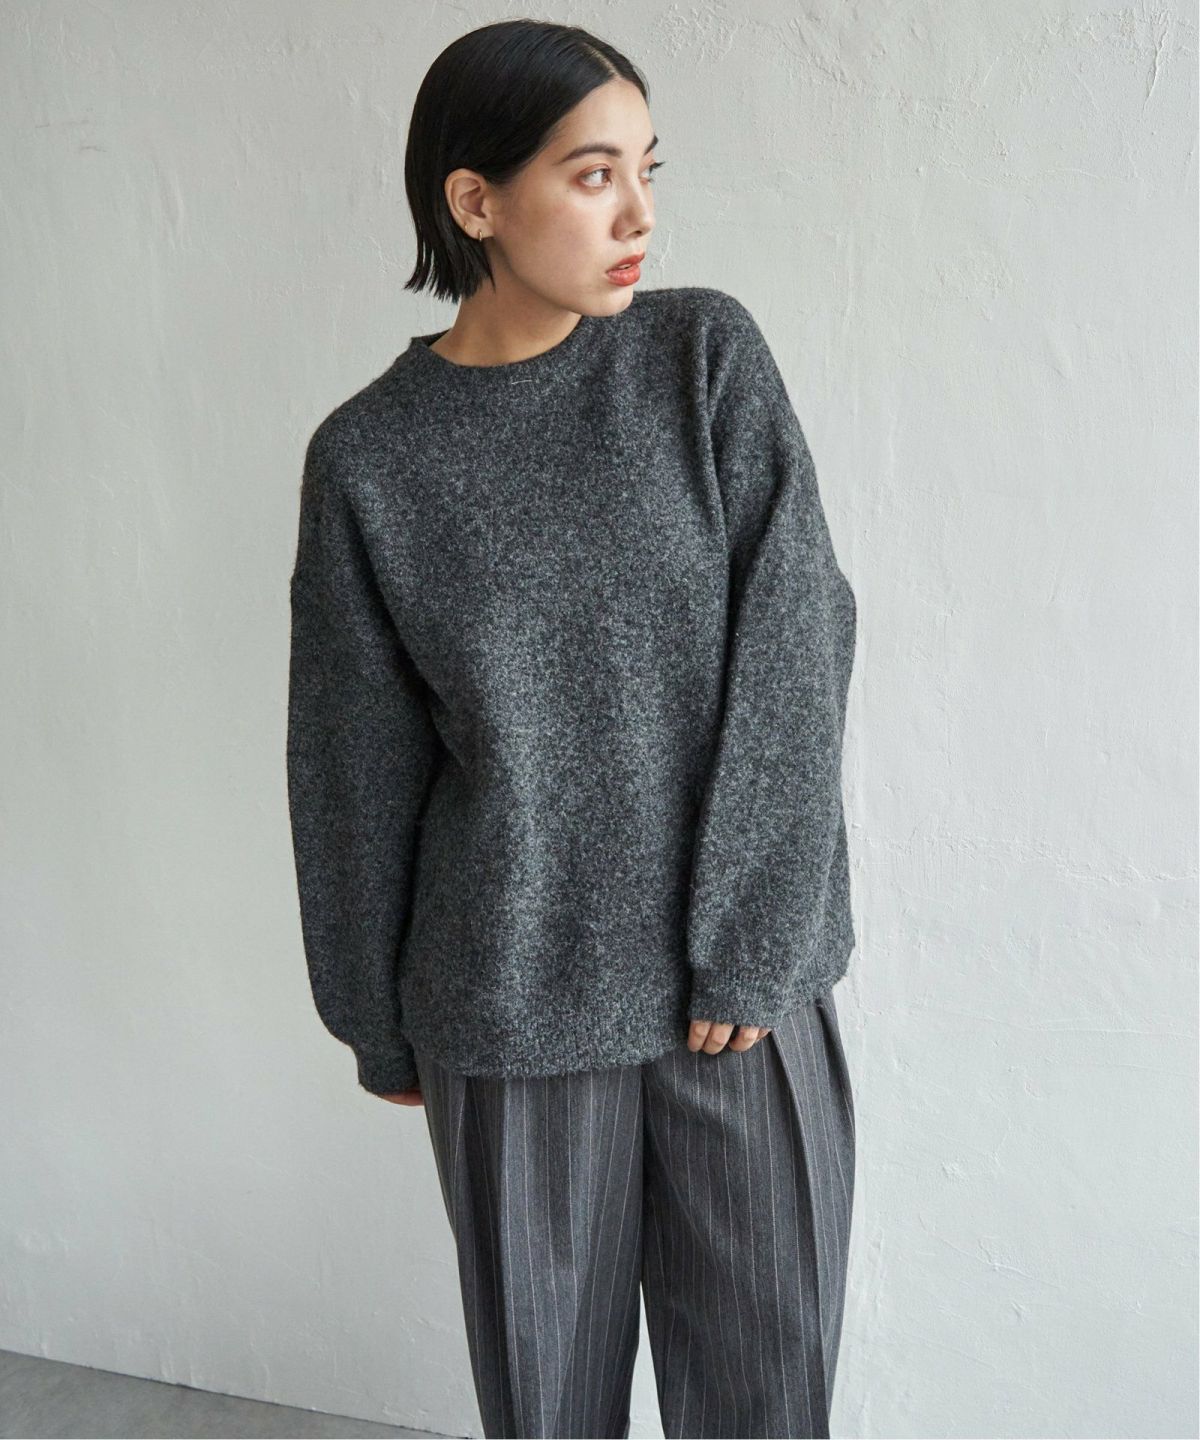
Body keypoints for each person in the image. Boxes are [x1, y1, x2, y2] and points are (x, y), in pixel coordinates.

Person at [285, 18, 858, 1440]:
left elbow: (799, 641)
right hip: (508, 1005)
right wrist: (372, 1019)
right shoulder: (370, 456)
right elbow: (352, 763)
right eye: (594, 175)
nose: (639, 216)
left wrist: (754, 934)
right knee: (546, 1411)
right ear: (474, 202)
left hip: (738, 1006)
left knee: (766, 1406)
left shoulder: (702, 358)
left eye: (648, 171)